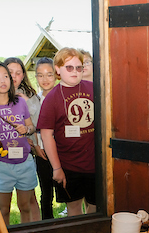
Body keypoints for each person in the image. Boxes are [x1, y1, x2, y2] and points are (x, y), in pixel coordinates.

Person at [38, 48, 96, 216]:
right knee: (74, 211)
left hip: (95, 164)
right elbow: (46, 134)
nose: (75, 71)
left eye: (78, 67)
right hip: (68, 167)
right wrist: (56, 168)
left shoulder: (94, 89)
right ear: (57, 69)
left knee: (95, 209)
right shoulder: (51, 99)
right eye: (69, 67)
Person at [0, 61, 38, 225]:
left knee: (25, 207)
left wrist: (26, 130)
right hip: (1, 164)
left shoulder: (20, 103)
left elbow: (31, 127)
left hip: (24, 162)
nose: (3, 80)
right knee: (3, 209)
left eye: (6, 76)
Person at [5, 57, 41, 222]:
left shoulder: (30, 95)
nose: (14, 76)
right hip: (2, 155)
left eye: (18, 73)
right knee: (4, 201)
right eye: (10, 72)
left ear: (23, 76)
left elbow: (40, 120)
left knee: (29, 197)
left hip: (26, 152)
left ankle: (36, 230)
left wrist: (27, 102)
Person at [32, 57, 58, 219]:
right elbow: (31, 127)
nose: (45, 79)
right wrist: (36, 146)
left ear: (56, 75)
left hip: (63, 152)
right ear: (36, 77)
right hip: (41, 152)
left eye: (49, 74)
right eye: (40, 75)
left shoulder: (62, 96)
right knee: (46, 192)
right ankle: (47, 223)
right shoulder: (33, 101)